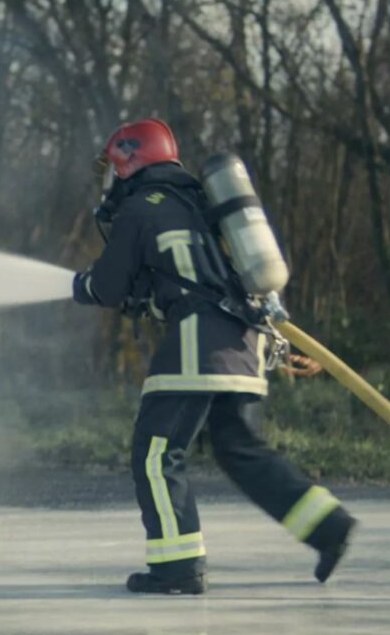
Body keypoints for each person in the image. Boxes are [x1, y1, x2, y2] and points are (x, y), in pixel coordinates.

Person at [73, 117, 356, 595]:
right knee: (239, 449)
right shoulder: (199, 204)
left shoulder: (142, 207)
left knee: (155, 454)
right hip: (244, 342)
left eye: (113, 167)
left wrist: (81, 284)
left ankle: (177, 567)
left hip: (197, 341)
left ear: (129, 161)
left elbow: (107, 285)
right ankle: (329, 526)